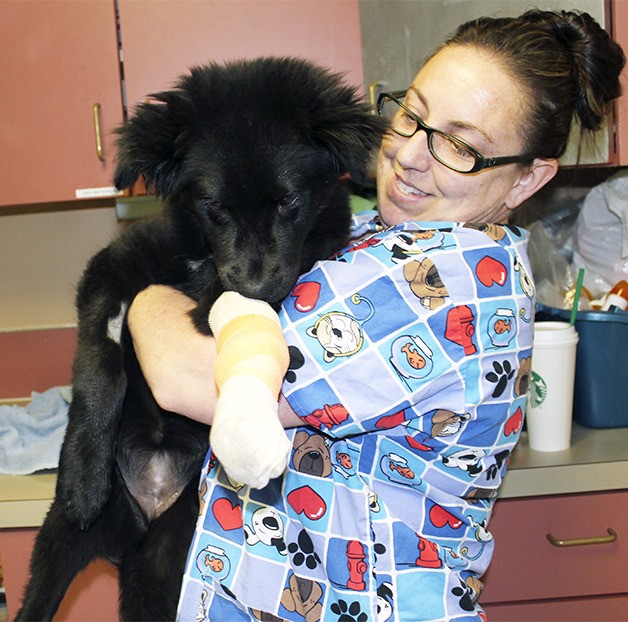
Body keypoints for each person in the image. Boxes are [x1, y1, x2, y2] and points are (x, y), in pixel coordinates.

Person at [128, 10, 624, 621]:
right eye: (412, 115)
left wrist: (140, 296)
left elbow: (193, 378)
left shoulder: (450, 281)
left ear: (527, 180)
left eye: (461, 147)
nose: (412, 154)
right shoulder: (377, 235)